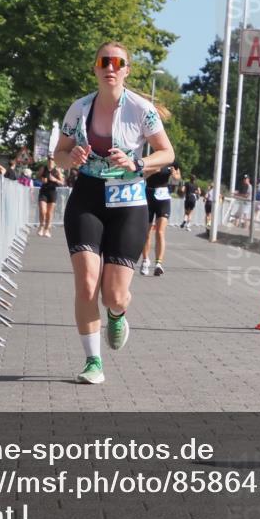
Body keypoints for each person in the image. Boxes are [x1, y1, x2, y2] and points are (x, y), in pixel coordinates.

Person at [54, 41, 174, 385]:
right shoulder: (79, 109)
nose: (110, 67)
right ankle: (93, 361)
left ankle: (118, 313)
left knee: (114, 295)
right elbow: (58, 154)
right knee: (86, 283)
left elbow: (167, 153)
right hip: (88, 198)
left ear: (126, 71)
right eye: (104, 61)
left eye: (118, 63)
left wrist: (138, 162)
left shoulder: (141, 109)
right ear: (95, 67)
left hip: (128, 201)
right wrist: (71, 158)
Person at [140, 160, 179, 276]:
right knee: (146, 232)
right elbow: (143, 175)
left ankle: (158, 263)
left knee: (160, 232)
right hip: (149, 195)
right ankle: (145, 261)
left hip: (163, 197)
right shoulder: (152, 159)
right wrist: (153, 171)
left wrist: (174, 175)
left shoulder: (172, 162)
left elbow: (178, 177)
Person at [37, 157, 65, 237]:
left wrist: (55, 180)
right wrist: (42, 179)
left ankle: (47, 229)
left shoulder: (57, 170)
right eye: (49, 159)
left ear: (54, 161)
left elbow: (62, 182)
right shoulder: (43, 168)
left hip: (52, 192)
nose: (50, 161)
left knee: (49, 213)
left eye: (52, 159)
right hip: (43, 191)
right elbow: (37, 177)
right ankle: (41, 226)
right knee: (42, 210)